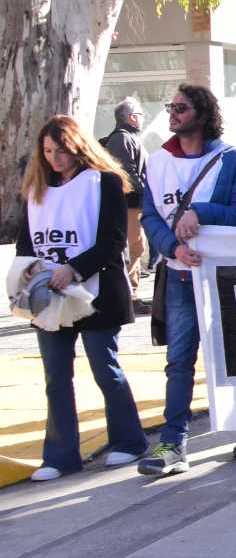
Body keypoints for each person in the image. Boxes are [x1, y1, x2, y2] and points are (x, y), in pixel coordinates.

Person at [16, 116, 149, 481]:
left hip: (97, 291)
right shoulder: (36, 189)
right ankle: (60, 456)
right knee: (55, 375)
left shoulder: (103, 182)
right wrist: (28, 269)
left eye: (61, 150)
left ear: (77, 146)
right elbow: (27, 242)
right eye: (47, 151)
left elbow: (113, 240)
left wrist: (73, 268)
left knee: (104, 367)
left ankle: (129, 439)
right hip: (49, 294)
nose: (55, 158)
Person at [138, 84, 236, 477]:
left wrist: (201, 211)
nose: (172, 114)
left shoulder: (233, 160)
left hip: (225, 274)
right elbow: (150, 216)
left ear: (202, 114)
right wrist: (173, 249)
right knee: (179, 360)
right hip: (179, 275)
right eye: (170, 106)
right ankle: (174, 440)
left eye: (181, 107)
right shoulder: (157, 162)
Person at [99, 96, 151, 296]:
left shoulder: (126, 138)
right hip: (128, 204)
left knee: (136, 247)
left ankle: (132, 292)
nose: (143, 118)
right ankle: (129, 294)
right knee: (133, 247)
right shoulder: (122, 138)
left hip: (132, 204)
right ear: (132, 117)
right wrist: (147, 193)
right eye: (140, 114)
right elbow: (127, 172)